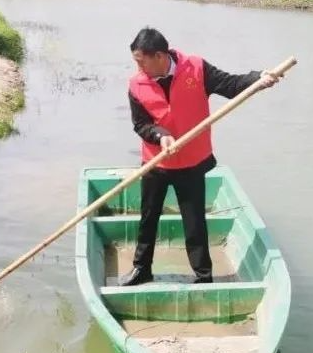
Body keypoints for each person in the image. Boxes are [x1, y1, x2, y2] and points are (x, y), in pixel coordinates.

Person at [119, 27, 281, 287]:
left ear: (160, 56)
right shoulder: (136, 84)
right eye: (136, 61)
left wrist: (258, 79)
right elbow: (141, 124)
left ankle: (203, 275)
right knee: (148, 217)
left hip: (191, 162)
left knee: (194, 220)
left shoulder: (195, 68)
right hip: (156, 162)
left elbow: (230, 85)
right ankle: (141, 269)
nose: (138, 67)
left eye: (141, 61)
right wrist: (161, 136)